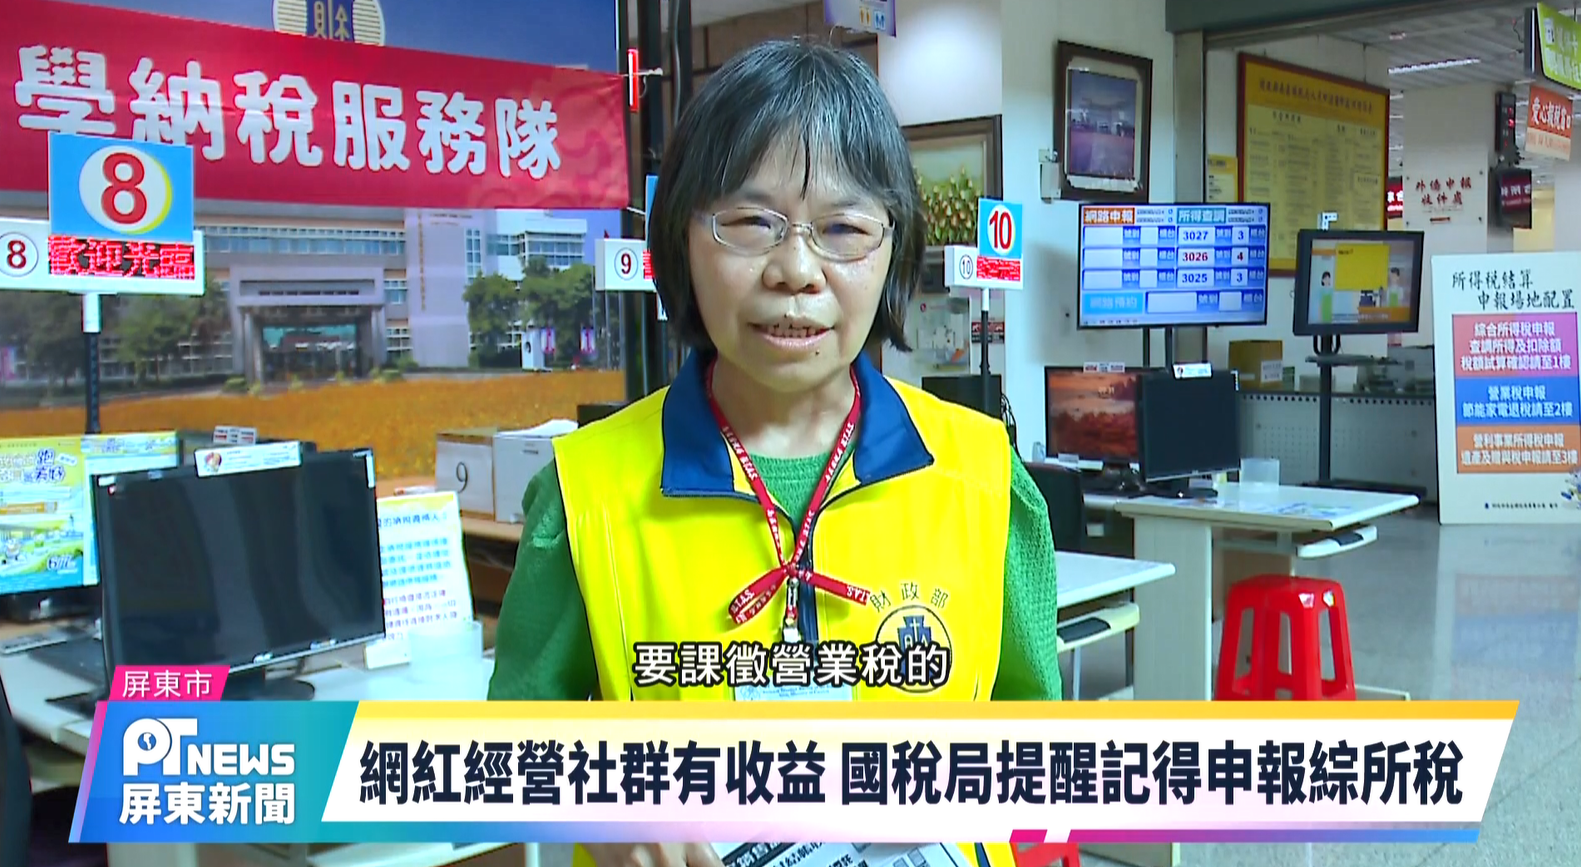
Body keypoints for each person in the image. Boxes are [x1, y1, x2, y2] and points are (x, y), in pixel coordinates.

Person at [488, 38, 1061, 867]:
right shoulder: (587, 491)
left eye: (842, 228)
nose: (795, 270)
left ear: (892, 248)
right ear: (680, 237)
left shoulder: (980, 474)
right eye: (750, 223)